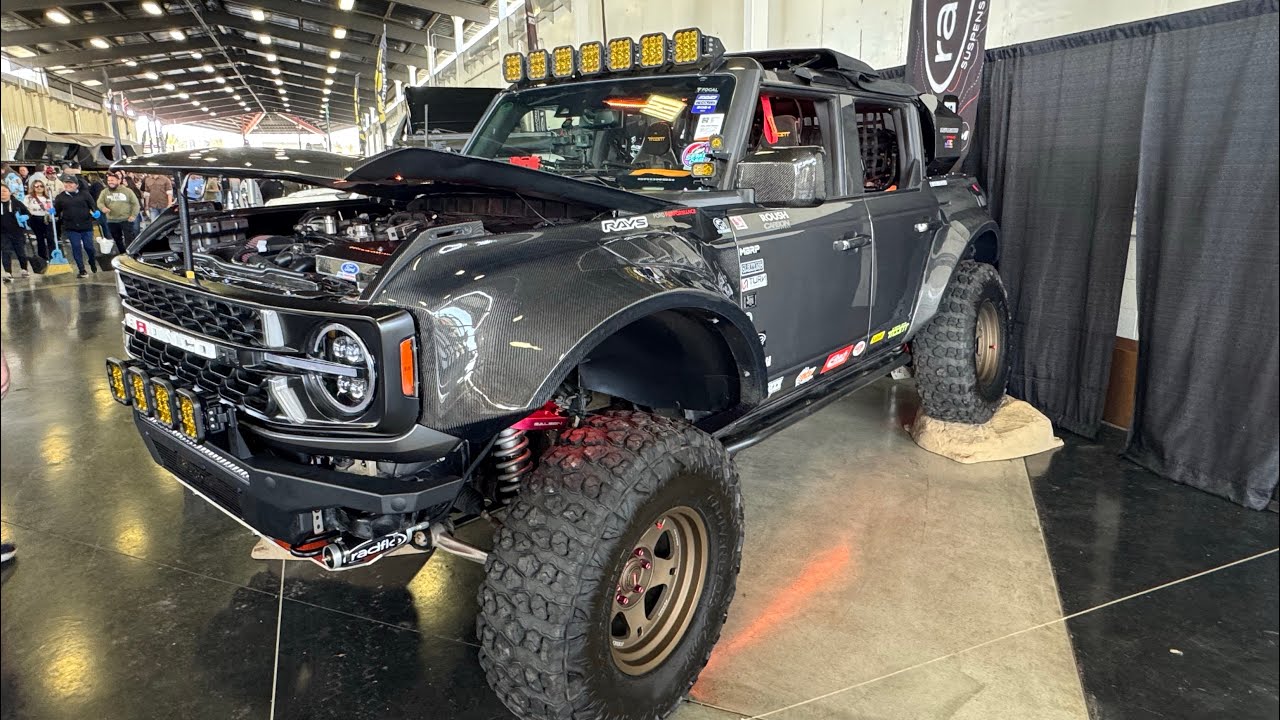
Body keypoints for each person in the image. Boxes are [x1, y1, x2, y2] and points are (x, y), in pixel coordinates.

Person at [52, 175, 100, 278]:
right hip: (71, 227)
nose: (68, 185)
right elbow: (56, 212)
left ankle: (92, 261)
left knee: (89, 247)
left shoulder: (85, 195)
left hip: (86, 225)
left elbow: (93, 206)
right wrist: (52, 211)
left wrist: (96, 213)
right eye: (66, 182)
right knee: (76, 247)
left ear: (77, 185)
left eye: (71, 183)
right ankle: (81, 269)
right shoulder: (60, 197)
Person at [98, 173, 140, 254]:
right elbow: (99, 202)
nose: (110, 182)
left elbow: (135, 204)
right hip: (112, 220)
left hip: (126, 219)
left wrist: (133, 215)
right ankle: (122, 253)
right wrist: (103, 208)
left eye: (112, 180)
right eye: (109, 180)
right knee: (117, 239)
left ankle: (131, 254)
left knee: (129, 239)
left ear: (118, 180)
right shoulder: (104, 192)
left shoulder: (127, 191)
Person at [1, 185, 32, 281]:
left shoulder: (16, 203)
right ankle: (8, 272)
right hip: (3, 233)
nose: (2, 193)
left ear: (10, 192)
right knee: (5, 252)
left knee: (21, 252)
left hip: (17, 232)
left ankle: (24, 269)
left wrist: (25, 217)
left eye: (4, 191)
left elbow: (28, 213)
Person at [23, 179, 56, 261]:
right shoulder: (29, 197)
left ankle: (53, 256)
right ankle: (43, 257)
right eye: (36, 186)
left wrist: (53, 211)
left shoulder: (48, 198)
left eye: (41, 186)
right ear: (33, 187)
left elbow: (52, 208)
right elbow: (24, 208)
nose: (39, 188)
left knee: (50, 238)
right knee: (40, 238)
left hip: (46, 218)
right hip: (35, 218)